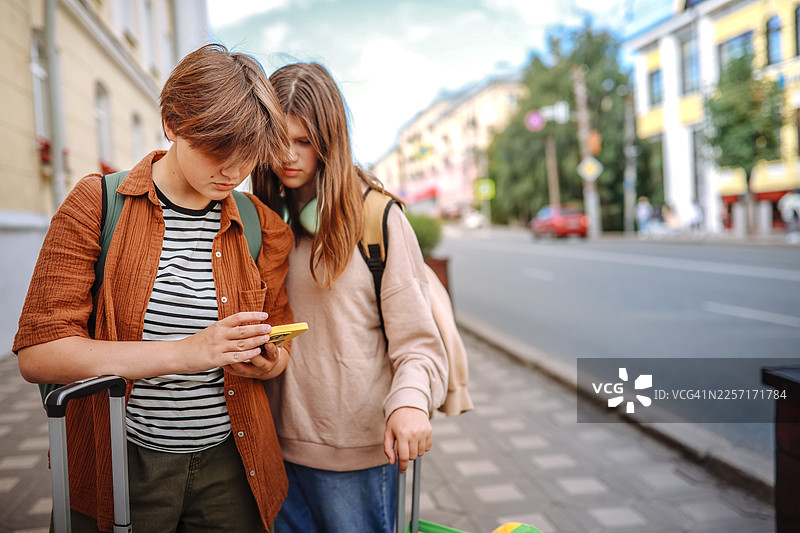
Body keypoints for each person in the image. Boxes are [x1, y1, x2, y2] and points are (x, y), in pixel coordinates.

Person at [14, 44, 294, 533]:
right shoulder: (97, 205)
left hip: (234, 465)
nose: (232, 171)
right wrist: (187, 352)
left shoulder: (260, 225)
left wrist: (269, 359)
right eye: (217, 148)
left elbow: (281, 342)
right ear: (171, 122)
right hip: (123, 461)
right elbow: (39, 353)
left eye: (246, 155)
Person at [252, 62, 448, 533]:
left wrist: (410, 403)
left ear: (329, 142)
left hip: (354, 460)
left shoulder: (376, 219)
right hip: (269, 450)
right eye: (279, 139)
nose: (289, 156)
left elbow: (420, 346)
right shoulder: (257, 218)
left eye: (304, 142)